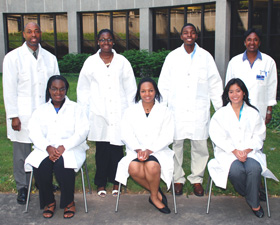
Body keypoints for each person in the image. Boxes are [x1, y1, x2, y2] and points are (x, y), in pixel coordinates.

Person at [158, 23, 223, 196]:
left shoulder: (206, 57)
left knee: (200, 145)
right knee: (176, 145)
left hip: (198, 109)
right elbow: (163, 84)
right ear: (181, 36)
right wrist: (161, 110)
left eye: (192, 32)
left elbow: (215, 84)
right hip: (176, 110)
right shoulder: (172, 57)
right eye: (185, 32)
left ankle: (197, 179)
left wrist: (221, 110)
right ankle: (178, 178)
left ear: (196, 36)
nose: (189, 35)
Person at [2, 22, 60, 205]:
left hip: (45, 114)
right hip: (23, 114)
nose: (33, 34)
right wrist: (13, 115)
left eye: (36, 31)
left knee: (45, 148)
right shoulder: (12, 58)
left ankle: (44, 183)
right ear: (23, 34)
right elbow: (9, 89)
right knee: (22, 152)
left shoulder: (50, 58)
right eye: (29, 31)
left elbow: (58, 86)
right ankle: (22, 187)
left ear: (40, 33)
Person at [77, 29, 137, 197]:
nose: (106, 43)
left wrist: (131, 112)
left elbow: (131, 88)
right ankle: (101, 182)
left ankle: (117, 181)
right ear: (98, 42)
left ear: (113, 42)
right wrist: (84, 112)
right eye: (102, 40)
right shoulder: (90, 62)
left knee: (117, 150)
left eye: (109, 39)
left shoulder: (122, 61)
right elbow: (83, 89)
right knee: (102, 150)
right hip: (99, 112)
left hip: (119, 112)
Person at [208, 78, 278, 218]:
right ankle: (252, 193)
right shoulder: (220, 114)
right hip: (228, 153)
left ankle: (254, 204)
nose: (234, 94)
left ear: (244, 93)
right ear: (227, 94)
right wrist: (234, 151)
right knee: (236, 171)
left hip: (250, 152)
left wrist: (246, 150)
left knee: (254, 168)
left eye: (238, 91)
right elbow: (217, 136)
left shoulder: (253, 113)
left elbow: (259, 134)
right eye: (231, 91)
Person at [24, 75, 89, 219]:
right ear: (49, 90)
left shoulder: (76, 109)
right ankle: (49, 201)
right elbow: (33, 131)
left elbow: (82, 131)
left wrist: (64, 146)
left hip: (71, 147)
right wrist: (47, 147)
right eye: (54, 89)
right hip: (45, 148)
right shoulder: (41, 110)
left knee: (62, 165)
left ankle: (68, 202)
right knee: (41, 166)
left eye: (61, 89)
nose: (58, 93)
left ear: (66, 90)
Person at [115, 77, 174, 214]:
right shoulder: (130, 111)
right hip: (135, 150)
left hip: (158, 151)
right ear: (139, 93)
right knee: (134, 167)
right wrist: (138, 149)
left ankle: (153, 197)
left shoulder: (165, 111)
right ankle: (156, 192)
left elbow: (167, 135)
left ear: (156, 92)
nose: (147, 94)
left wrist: (150, 150)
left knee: (151, 166)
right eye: (143, 91)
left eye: (150, 90)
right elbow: (126, 133)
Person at [225, 28, 278, 124]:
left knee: (257, 136)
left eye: (255, 40)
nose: (252, 43)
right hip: (238, 107)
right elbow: (228, 87)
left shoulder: (269, 62)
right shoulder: (234, 62)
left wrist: (269, 110)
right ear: (245, 42)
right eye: (249, 40)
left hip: (259, 107)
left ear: (259, 42)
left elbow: (271, 87)